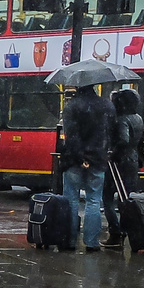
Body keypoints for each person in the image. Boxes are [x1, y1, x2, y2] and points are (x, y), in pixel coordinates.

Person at [60, 83, 116, 251]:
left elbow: (71, 136)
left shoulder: (71, 107)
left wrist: (81, 156)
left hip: (74, 160)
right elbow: (110, 132)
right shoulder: (107, 105)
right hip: (98, 159)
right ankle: (91, 243)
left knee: (71, 200)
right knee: (93, 200)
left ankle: (69, 241)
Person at [102, 87, 144, 247]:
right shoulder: (138, 118)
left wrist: (112, 153)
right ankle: (126, 230)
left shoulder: (122, 120)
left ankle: (115, 232)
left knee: (107, 197)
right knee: (125, 198)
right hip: (132, 161)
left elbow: (123, 140)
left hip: (118, 164)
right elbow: (140, 140)